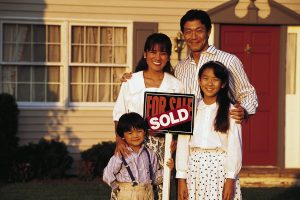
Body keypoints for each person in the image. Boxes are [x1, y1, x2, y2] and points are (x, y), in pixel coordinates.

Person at [175, 9, 258, 200]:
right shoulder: (180, 68)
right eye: (188, 31)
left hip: (219, 146)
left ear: (208, 31)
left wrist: (243, 111)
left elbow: (247, 93)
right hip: (189, 154)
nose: (193, 36)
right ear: (183, 34)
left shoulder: (228, 60)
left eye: (199, 31)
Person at [113, 33, 184, 199]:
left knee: (160, 190)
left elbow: (181, 120)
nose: (157, 57)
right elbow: (119, 113)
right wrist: (119, 141)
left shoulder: (176, 85)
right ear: (145, 54)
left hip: (162, 145)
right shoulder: (131, 81)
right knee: (131, 190)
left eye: (163, 53)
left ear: (168, 56)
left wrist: (174, 144)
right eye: (153, 52)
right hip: (134, 144)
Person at [178, 61, 242, 200]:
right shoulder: (190, 109)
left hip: (219, 170)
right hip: (194, 169)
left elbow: (234, 147)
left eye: (215, 79)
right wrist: (181, 177)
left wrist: (230, 179)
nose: (210, 83)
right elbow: (183, 144)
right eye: (206, 78)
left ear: (223, 83)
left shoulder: (231, 111)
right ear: (199, 81)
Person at [103, 112, 174, 200]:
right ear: (123, 136)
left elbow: (155, 177)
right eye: (130, 133)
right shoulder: (121, 154)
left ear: (144, 132)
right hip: (128, 194)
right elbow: (107, 174)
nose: (135, 135)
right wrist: (117, 187)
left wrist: (168, 169)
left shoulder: (150, 154)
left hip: (147, 193)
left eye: (139, 131)